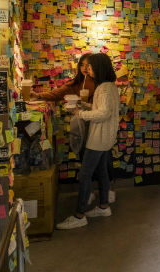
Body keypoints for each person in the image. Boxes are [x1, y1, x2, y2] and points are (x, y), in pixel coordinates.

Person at [56, 53, 120, 229]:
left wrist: (81, 114)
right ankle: (104, 206)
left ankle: (79, 215)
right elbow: (102, 109)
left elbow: (103, 113)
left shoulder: (104, 88)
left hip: (98, 138)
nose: (88, 70)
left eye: (90, 67)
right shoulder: (108, 86)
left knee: (85, 174)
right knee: (102, 171)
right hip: (105, 137)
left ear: (98, 68)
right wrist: (84, 106)